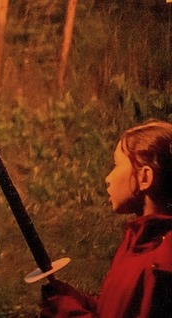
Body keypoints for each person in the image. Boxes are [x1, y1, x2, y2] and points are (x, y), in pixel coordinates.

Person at [40, 120, 172, 318]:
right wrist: (74, 300)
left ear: (144, 177)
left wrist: (68, 313)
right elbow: (116, 309)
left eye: (117, 165)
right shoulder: (136, 242)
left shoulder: (160, 265)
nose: (108, 177)